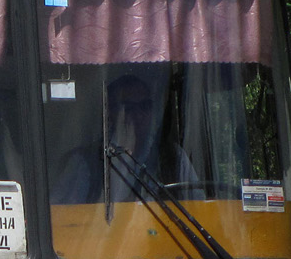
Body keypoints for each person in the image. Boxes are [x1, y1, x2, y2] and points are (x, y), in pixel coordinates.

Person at [54, 72, 197, 204]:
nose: (139, 115)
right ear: (111, 113)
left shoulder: (173, 156)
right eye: (129, 107)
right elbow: (71, 221)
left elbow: (198, 205)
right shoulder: (85, 162)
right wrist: (123, 152)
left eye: (145, 106)